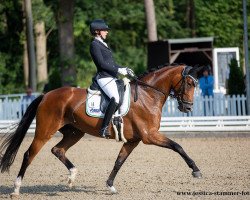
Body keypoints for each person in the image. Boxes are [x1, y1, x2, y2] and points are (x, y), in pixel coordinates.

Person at [89, 19, 133, 138]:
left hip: (111, 77)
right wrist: (119, 70)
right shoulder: (94, 45)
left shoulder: (103, 44)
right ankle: (103, 128)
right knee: (116, 98)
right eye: (104, 30)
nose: (107, 32)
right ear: (97, 31)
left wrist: (124, 68)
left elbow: (112, 64)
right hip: (103, 77)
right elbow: (102, 64)